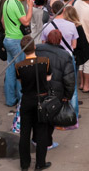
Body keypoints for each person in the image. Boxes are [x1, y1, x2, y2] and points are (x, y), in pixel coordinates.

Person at [15, 35, 53, 170]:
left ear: (22, 49)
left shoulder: (19, 66)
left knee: (25, 133)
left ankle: (24, 164)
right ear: (35, 47)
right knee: (41, 131)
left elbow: (21, 81)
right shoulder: (45, 61)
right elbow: (49, 77)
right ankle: (40, 163)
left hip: (27, 99)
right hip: (41, 99)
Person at [35, 28, 76, 131]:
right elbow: (69, 79)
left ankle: (38, 137)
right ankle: (47, 141)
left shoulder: (37, 49)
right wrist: (68, 95)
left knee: (38, 113)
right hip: (56, 92)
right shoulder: (64, 55)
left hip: (38, 88)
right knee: (50, 115)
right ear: (60, 40)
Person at [1, 0, 34, 108]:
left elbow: (4, 21)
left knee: (10, 70)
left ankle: (10, 99)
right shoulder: (18, 4)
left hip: (8, 38)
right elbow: (25, 22)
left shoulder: (7, 1)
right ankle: (22, 100)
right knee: (22, 70)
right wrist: (30, 7)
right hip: (17, 41)